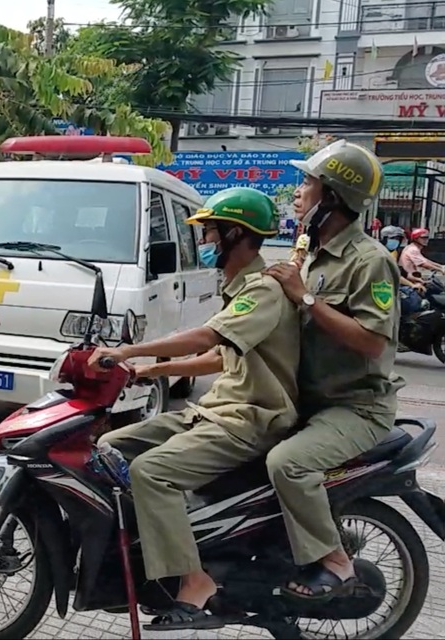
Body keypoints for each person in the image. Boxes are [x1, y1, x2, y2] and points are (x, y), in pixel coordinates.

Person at [88, 187, 300, 629]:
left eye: (210, 233)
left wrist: (129, 351)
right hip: (217, 410)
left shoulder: (262, 291)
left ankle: (193, 579)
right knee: (108, 446)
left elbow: (208, 338)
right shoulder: (240, 287)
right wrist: (150, 371)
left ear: (235, 234)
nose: (205, 243)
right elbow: (223, 356)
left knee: (152, 472)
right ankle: (160, 542)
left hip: (249, 419)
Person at [264, 139, 404, 603]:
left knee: (288, 464)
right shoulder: (313, 252)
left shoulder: (370, 261)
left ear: (334, 197)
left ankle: (337, 564)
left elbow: (371, 340)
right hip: (307, 401)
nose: (298, 193)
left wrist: (305, 296)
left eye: (308, 183)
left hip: (355, 408)